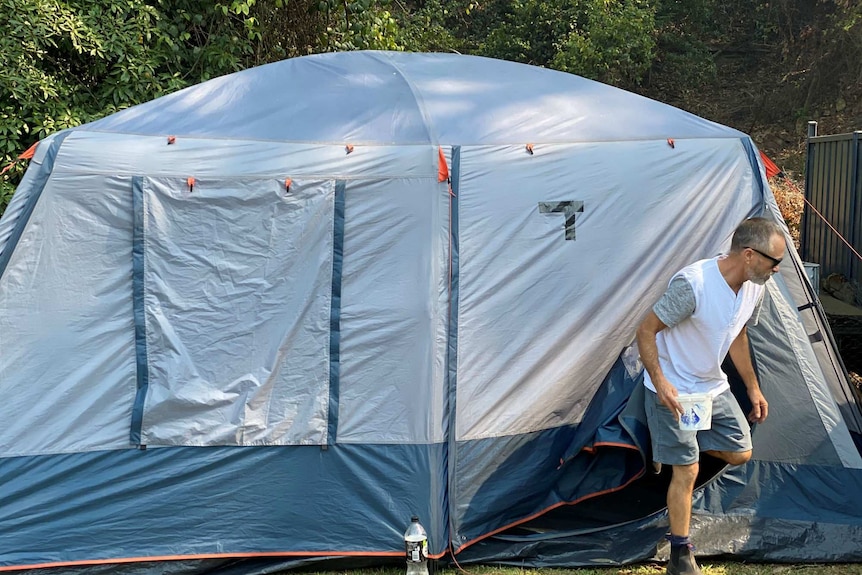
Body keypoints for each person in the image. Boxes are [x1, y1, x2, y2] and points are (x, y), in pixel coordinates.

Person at [636, 217, 785, 575]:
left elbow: (736, 335)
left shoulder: (754, 287)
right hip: (673, 387)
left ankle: (670, 447)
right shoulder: (695, 284)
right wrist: (662, 380)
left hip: (711, 386)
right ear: (749, 254)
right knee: (688, 470)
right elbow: (645, 330)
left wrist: (752, 387)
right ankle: (680, 554)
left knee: (741, 451)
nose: (777, 269)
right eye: (774, 261)